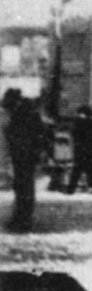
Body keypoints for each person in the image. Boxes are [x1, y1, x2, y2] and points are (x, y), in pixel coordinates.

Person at [2, 88, 46, 232]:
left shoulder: (27, 113)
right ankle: (19, 219)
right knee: (21, 187)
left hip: (26, 156)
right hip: (21, 156)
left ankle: (23, 221)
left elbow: (37, 135)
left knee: (24, 189)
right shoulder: (23, 112)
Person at [66, 105, 92, 195]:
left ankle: (71, 190)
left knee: (77, 171)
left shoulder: (77, 124)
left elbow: (77, 138)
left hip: (81, 152)